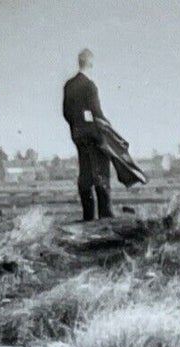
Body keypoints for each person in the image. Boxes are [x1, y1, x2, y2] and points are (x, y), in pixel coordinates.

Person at [63, 49, 112, 222]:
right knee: (101, 172)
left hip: (77, 135)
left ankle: (88, 217)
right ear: (90, 63)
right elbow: (97, 112)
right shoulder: (90, 86)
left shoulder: (69, 85)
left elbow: (66, 112)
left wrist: (77, 127)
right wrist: (108, 129)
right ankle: (105, 217)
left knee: (85, 173)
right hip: (93, 135)